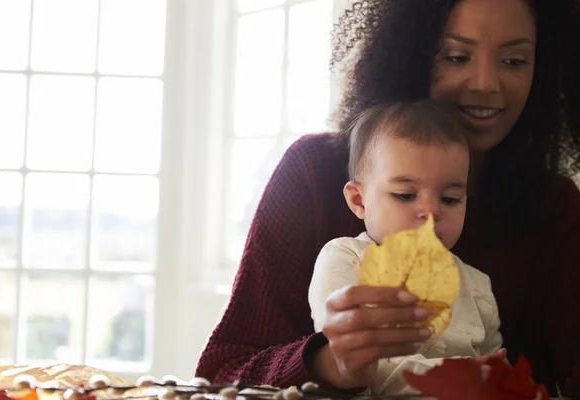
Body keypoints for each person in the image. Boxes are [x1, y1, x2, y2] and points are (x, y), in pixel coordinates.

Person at [195, 0, 580, 397]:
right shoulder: (314, 174)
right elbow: (221, 374)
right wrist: (329, 363)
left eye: (515, 61)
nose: (485, 83)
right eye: (456, 56)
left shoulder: (555, 208)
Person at [308, 100, 503, 395]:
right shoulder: (345, 259)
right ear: (359, 201)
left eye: (449, 199)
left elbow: (493, 367)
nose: (430, 212)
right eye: (405, 195)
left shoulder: (477, 284)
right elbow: (367, 366)